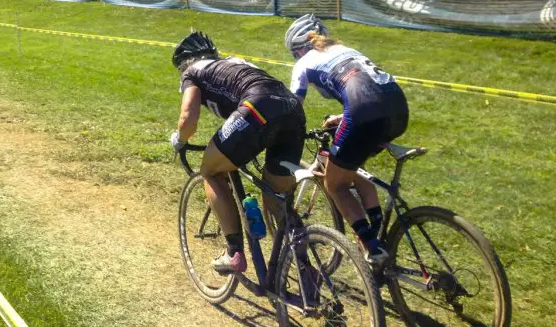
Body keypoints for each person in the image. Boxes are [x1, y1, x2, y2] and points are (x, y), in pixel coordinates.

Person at [170, 31, 306, 274]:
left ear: (185, 63)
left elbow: (188, 118)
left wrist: (180, 139)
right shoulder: (233, 61)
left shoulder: (192, 72)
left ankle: (234, 253)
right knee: (277, 196)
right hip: (292, 107)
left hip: (257, 106)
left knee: (210, 171)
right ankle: (306, 265)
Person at [284, 14, 409, 264]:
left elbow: (293, 107)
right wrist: (344, 116)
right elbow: (368, 87)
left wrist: (284, 131)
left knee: (336, 185)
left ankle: (372, 247)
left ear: (298, 50)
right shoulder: (345, 49)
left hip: (363, 111)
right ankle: (375, 232)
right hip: (398, 108)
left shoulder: (304, 62)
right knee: (355, 168)